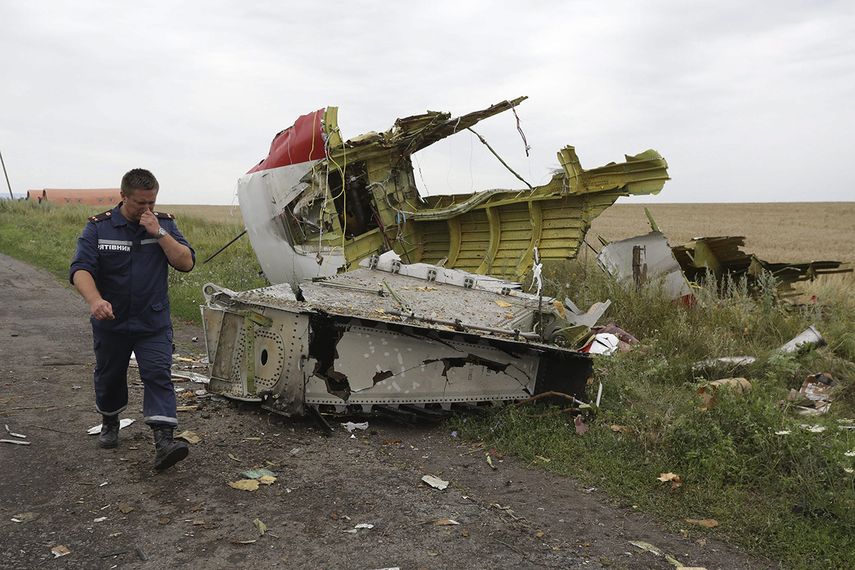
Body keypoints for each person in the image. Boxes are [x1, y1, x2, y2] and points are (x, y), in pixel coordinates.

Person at [70, 168, 195, 471]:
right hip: (111, 321)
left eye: (152, 202)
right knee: (110, 376)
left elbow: (186, 262)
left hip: (152, 322)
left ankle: (164, 442)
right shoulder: (99, 228)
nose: (147, 209)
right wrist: (95, 300)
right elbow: (80, 269)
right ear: (123, 196)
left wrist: (159, 233)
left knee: (157, 373)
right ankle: (110, 421)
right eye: (141, 203)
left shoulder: (164, 224)